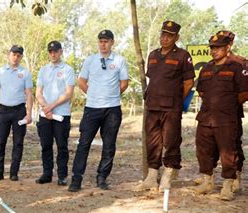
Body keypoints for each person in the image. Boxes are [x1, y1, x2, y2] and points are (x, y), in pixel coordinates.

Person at [134, 21, 195, 192]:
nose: (165, 38)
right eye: (163, 34)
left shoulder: (183, 55)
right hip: (152, 106)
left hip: (171, 107)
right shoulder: (153, 55)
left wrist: (175, 98)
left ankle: (168, 174)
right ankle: (152, 176)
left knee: (171, 140)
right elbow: (153, 79)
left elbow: (189, 82)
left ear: (177, 37)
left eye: (169, 35)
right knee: (153, 141)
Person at [68, 30, 128, 192]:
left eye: (106, 41)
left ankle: (102, 177)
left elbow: (124, 83)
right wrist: (94, 94)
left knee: (109, 145)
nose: (103, 44)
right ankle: (76, 178)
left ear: (112, 42)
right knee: (83, 143)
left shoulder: (120, 60)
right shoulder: (90, 60)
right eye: (101, 41)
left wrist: (111, 96)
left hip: (112, 110)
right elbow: (81, 81)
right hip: (92, 109)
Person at [192, 34, 248, 201]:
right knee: (203, 150)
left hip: (226, 119)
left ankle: (228, 186)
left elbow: (244, 93)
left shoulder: (237, 66)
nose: (214, 51)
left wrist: (227, 105)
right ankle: (207, 181)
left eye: (218, 47)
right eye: (212, 47)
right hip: (206, 117)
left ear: (227, 48)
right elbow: (201, 91)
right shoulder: (207, 68)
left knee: (228, 153)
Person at [0, 45, 33, 181]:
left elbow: (29, 93)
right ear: (9, 55)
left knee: (18, 142)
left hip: (19, 111)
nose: (16, 57)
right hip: (3, 110)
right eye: (13, 54)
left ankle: (14, 173)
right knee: (0, 142)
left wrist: (29, 113)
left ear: (21, 57)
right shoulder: (0, 71)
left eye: (19, 55)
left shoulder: (25, 73)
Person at [35, 41, 75, 186]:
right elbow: (38, 92)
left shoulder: (68, 70)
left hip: (61, 114)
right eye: (51, 51)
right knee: (46, 145)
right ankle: (47, 174)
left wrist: (51, 107)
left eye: (56, 51)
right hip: (45, 114)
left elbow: (69, 93)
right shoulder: (43, 70)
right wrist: (46, 108)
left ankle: (62, 176)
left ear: (61, 52)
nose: (53, 54)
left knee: (62, 146)